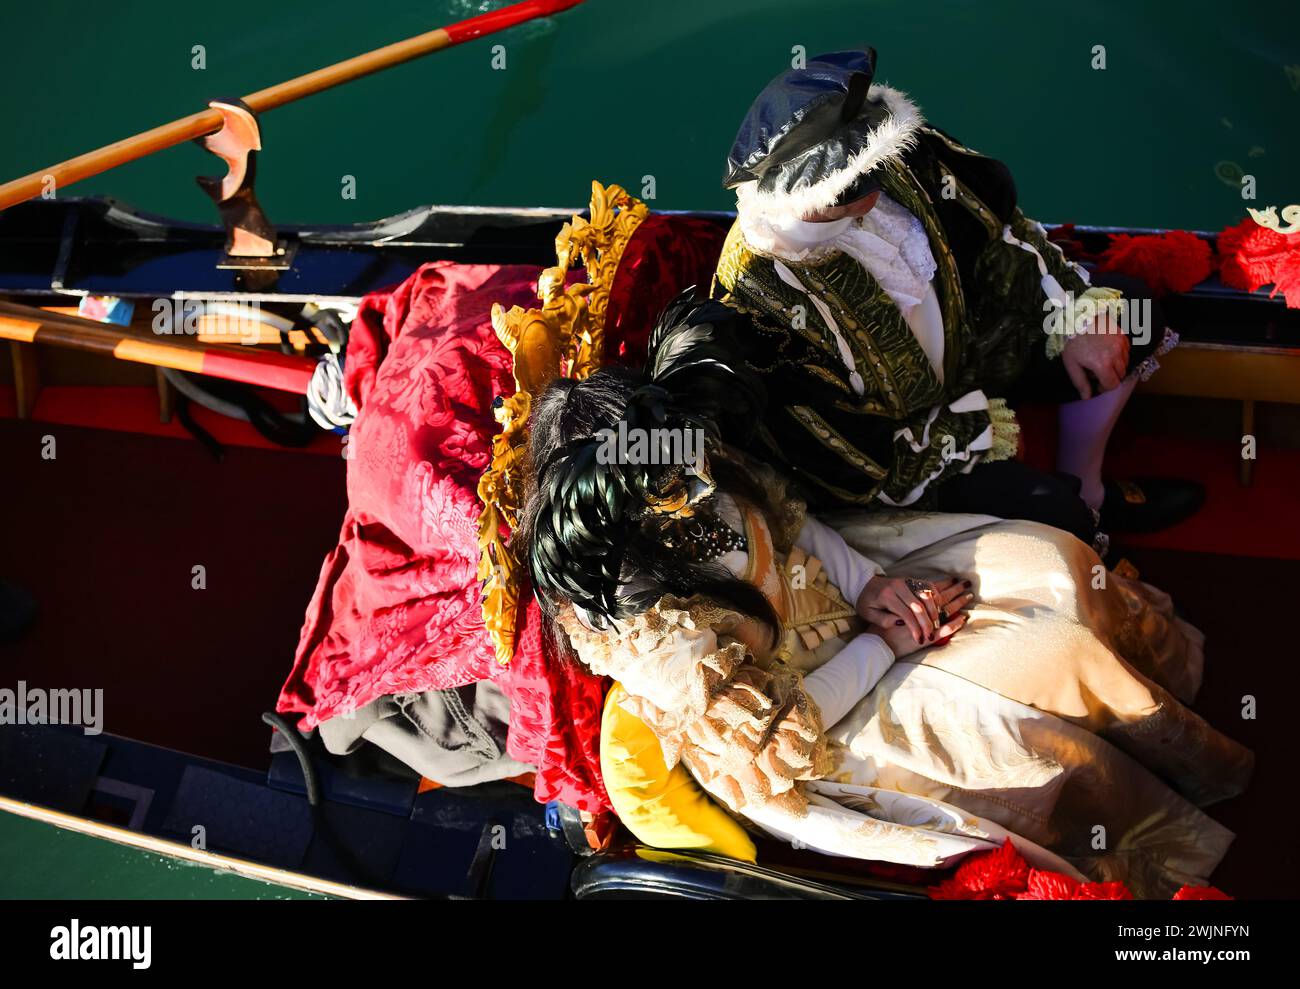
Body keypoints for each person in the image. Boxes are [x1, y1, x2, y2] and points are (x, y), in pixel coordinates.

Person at [521, 294, 1252, 898]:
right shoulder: (653, 635)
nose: (700, 481)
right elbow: (780, 734)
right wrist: (887, 643)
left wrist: (875, 585)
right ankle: (1146, 836)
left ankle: (1175, 730)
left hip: (851, 592)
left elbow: (789, 521)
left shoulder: (674, 456)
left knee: (1053, 566)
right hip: (811, 722)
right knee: (1014, 715)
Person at [712, 48, 1204, 553]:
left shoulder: (895, 163)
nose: (885, 181)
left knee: (1134, 315)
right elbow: (833, 454)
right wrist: (968, 431)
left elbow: (1001, 232)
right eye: (866, 176)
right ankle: (1078, 507)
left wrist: (1074, 311)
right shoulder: (756, 294)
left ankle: (1091, 483)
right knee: (1055, 512)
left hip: (969, 352)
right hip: (902, 448)